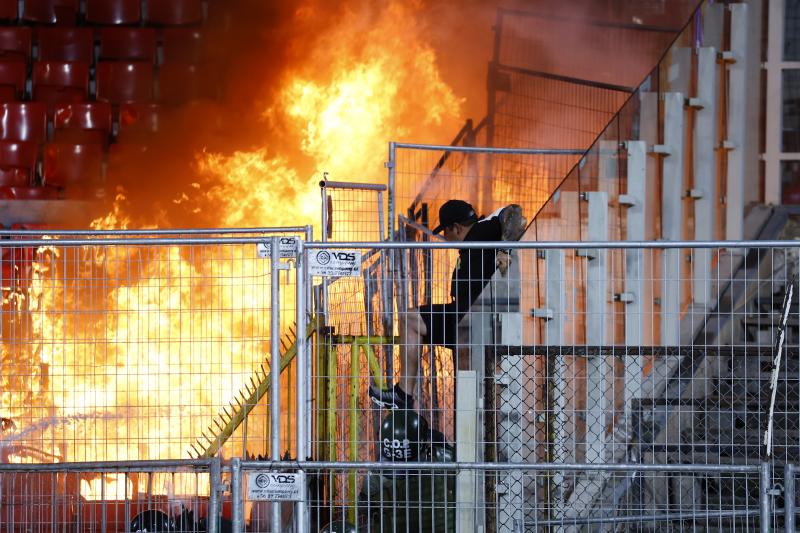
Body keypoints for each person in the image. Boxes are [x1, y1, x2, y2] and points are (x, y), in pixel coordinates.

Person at [369, 200, 526, 410]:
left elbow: (514, 213)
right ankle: (404, 395)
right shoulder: (472, 241)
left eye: (446, 231)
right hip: (463, 320)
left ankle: (403, 395)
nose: (444, 237)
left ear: (456, 227)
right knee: (411, 319)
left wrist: (505, 249)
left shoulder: (484, 229)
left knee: (410, 319)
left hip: (476, 322)